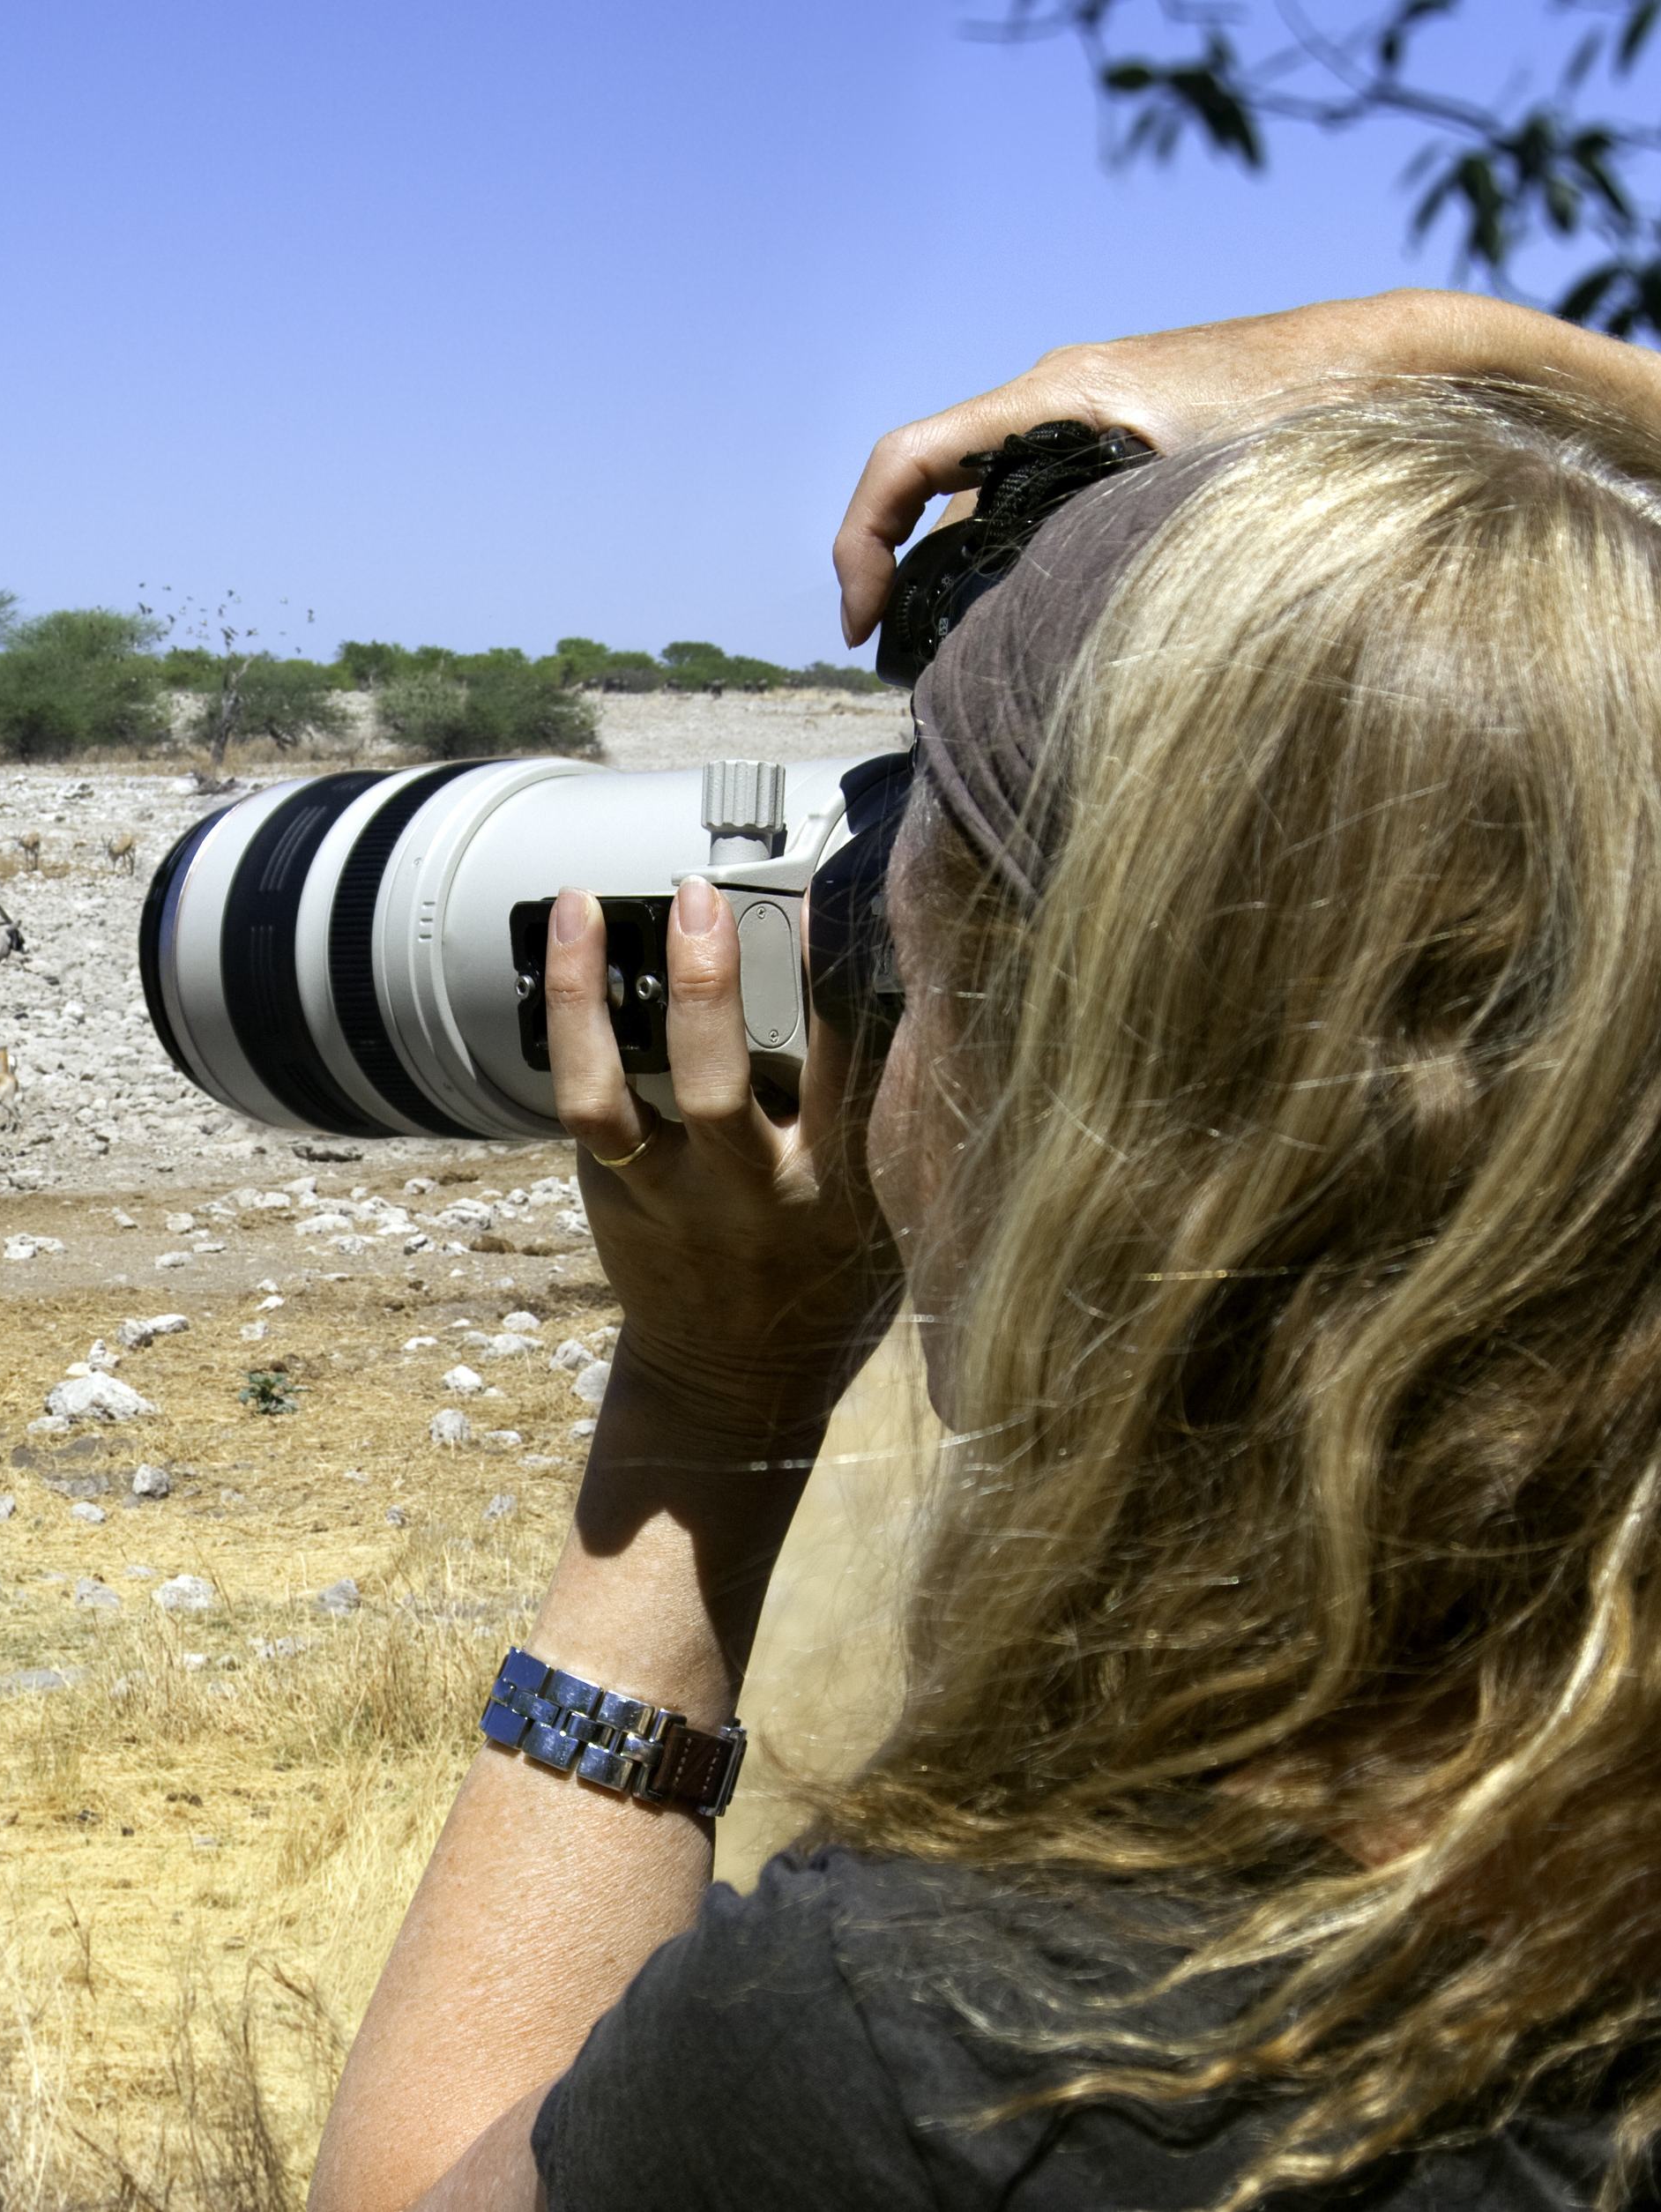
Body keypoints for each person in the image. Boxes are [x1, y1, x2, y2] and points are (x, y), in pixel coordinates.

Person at [309, 289, 1661, 2212]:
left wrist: (701, 1409)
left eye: (913, 964)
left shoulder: (980, 2039)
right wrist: (1485, 370)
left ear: (1063, 1108)